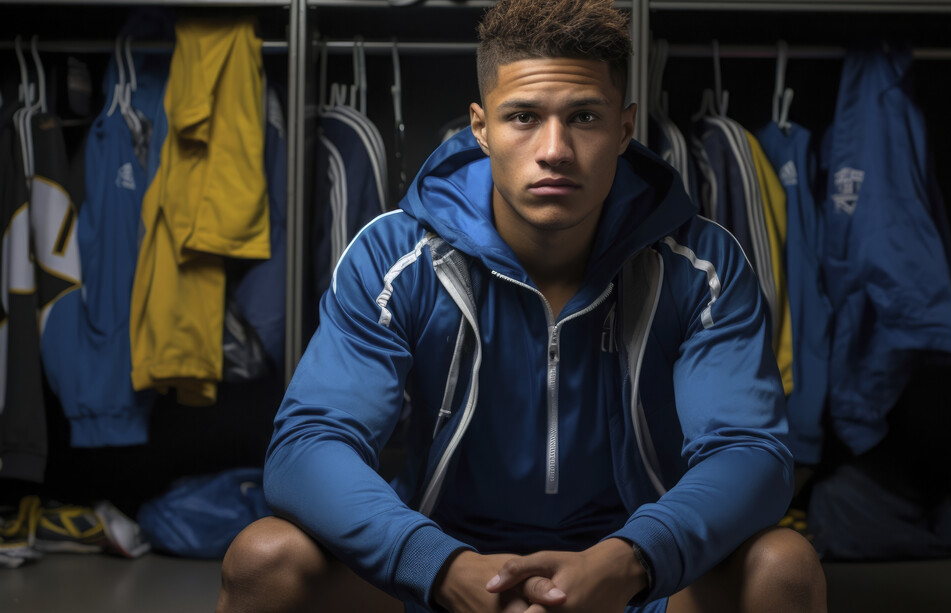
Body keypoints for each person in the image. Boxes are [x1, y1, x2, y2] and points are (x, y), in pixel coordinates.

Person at [217, 0, 827, 611]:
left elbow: (750, 453)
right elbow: (309, 443)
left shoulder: (701, 266)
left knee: (783, 568)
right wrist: (441, 565)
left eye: (584, 116)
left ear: (624, 127)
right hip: (447, 574)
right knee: (264, 558)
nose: (554, 148)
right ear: (481, 128)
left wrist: (629, 560)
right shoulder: (394, 257)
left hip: (633, 578)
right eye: (524, 117)